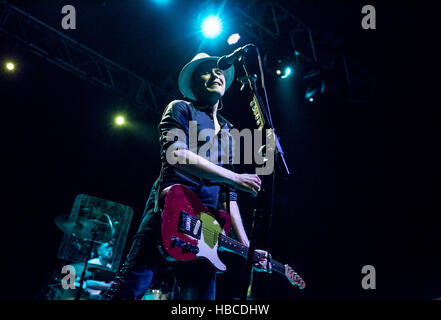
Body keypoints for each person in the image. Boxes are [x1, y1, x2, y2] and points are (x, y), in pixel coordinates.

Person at [105, 53, 269, 300]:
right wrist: (234, 177)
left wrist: (247, 248)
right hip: (169, 210)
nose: (216, 74)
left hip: (206, 228)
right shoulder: (181, 108)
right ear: (193, 84)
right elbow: (176, 154)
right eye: (207, 71)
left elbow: (228, 198)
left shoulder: (229, 131)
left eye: (219, 71)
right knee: (128, 289)